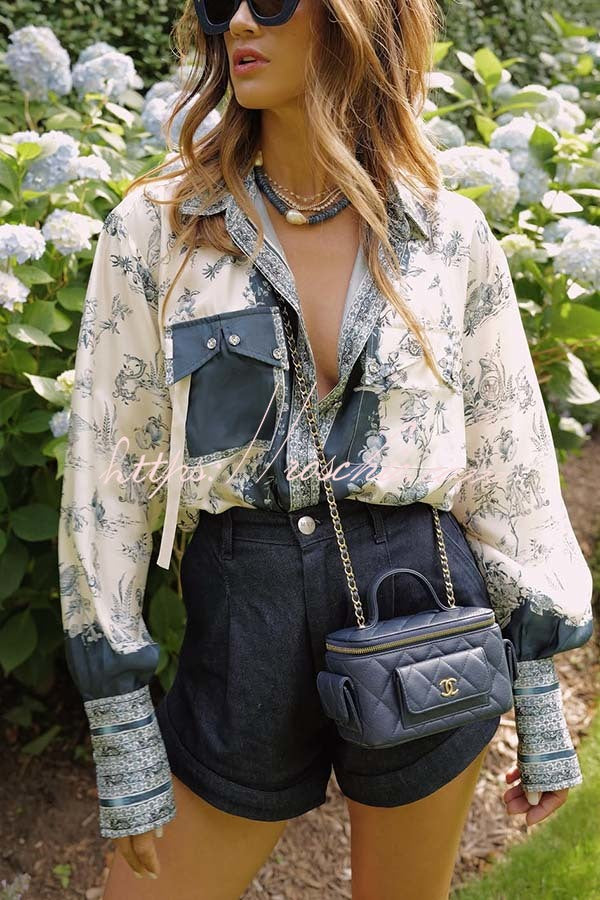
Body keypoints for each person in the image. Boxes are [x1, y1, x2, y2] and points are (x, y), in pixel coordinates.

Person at [57, 0, 595, 897]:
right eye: (218, 1)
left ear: (356, 18)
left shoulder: (447, 234)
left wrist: (537, 685)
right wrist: (120, 722)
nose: (237, 21)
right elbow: (107, 475)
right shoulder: (160, 229)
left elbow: (509, 458)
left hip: (424, 604)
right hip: (247, 612)